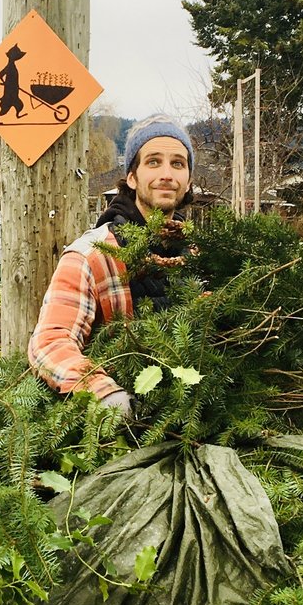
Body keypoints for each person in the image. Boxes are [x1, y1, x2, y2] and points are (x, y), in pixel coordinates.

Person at [27, 115, 194, 417]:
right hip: (119, 425)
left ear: (189, 179)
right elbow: (50, 343)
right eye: (154, 162)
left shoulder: (201, 253)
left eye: (178, 164)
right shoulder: (92, 255)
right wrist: (104, 392)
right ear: (132, 177)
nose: (167, 174)